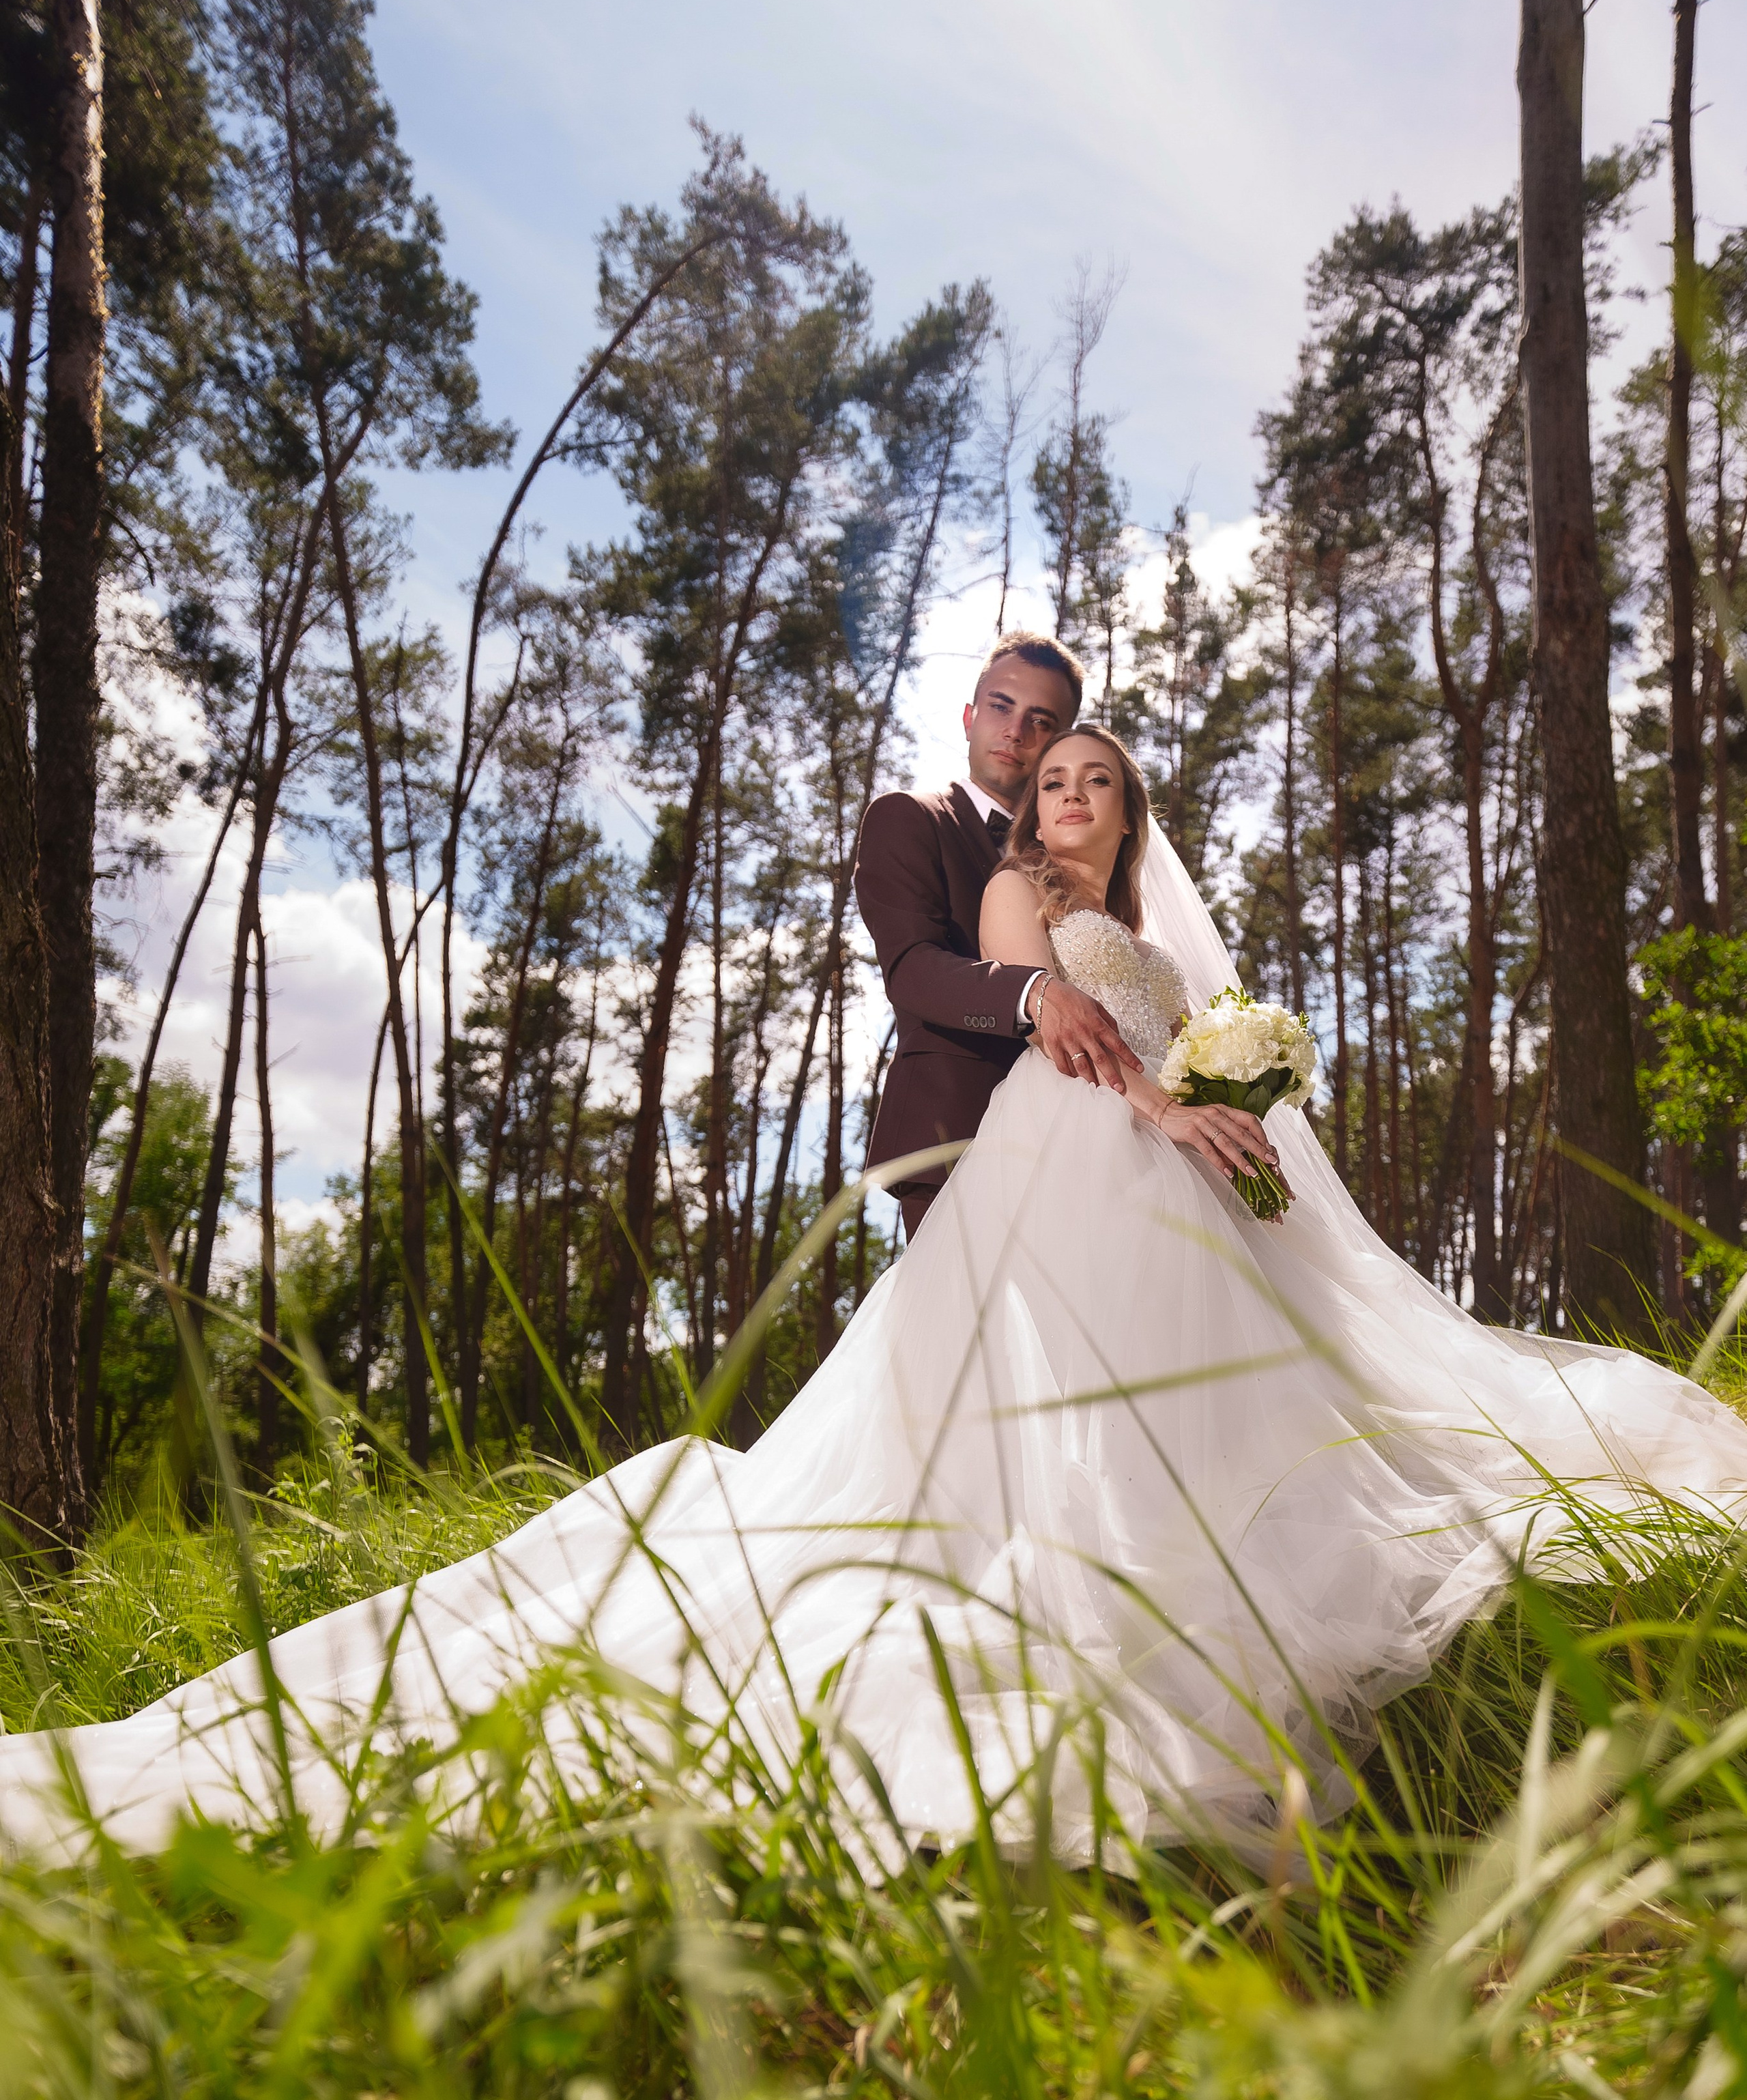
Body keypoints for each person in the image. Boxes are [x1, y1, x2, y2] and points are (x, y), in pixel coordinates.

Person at [5, 730, 1747, 1869]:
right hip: (1068, 1158)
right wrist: (1160, 1100)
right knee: (1028, 1442)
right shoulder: (1015, 888)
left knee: (1250, 1397)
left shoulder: (1153, 909)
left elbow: (1169, 1019)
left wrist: (1235, 1090)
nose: (1062, 798)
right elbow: (1062, 1026)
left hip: (1178, 1161)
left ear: (1128, 806)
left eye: (1090, 781)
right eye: (1045, 778)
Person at [853, 629, 1140, 1239]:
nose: (1016, 731)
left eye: (1042, 720)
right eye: (1001, 707)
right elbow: (913, 968)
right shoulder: (909, 817)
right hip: (960, 1132)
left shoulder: (1085, 857)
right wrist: (1034, 994)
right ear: (969, 716)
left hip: (1101, 1141)